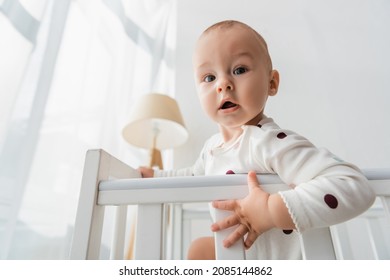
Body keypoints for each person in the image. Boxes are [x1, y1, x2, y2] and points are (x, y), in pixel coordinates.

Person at [138, 20, 375, 259]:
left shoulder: (269, 141)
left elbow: (352, 184)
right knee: (199, 250)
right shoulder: (211, 148)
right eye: (209, 77)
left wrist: (271, 211)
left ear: (271, 83)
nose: (223, 84)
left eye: (239, 70)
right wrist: (155, 178)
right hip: (243, 258)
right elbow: (191, 177)